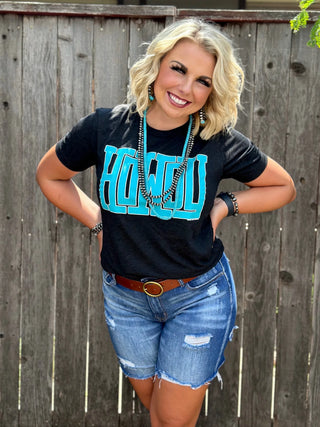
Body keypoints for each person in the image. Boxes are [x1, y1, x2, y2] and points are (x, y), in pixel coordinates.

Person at [36, 18, 296, 427]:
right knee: (160, 409)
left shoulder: (217, 140)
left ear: (213, 90)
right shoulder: (106, 127)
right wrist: (98, 223)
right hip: (126, 300)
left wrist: (224, 205)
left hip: (198, 296)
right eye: (178, 68)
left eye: (203, 81)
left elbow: (282, 187)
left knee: (170, 421)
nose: (186, 88)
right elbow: (49, 175)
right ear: (157, 64)